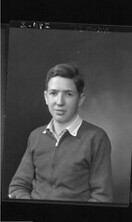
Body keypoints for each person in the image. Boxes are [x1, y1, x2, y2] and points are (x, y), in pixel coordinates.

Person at [8, 63, 113, 202]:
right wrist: (32, 210)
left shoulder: (96, 138)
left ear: (80, 99)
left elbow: (102, 198)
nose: (59, 102)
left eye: (68, 94)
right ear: (46, 97)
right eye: (53, 93)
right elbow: (17, 187)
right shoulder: (36, 136)